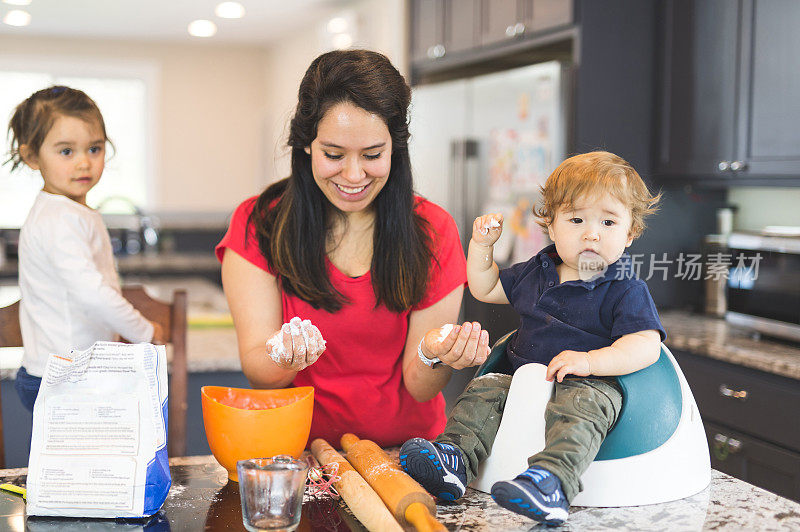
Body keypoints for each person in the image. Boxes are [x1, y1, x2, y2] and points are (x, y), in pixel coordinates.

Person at [216, 49, 490, 448]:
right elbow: (259, 370)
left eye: (373, 155)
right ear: (306, 143)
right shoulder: (260, 223)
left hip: (406, 458)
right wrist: (284, 355)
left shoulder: (433, 230)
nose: (354, 174)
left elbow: (420, 388)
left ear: (395, 148)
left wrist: (435, 354)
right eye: (334, 154)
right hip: (299, 456)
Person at [400, 151, 666, 526]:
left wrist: (590, 362)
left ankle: (552, 482)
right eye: (576, 219)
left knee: (578, 412)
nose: (592, 233)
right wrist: (481, 247)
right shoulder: (537, 272)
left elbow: (645, 345)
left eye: (608, 221)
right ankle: (454, 461)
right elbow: (485, 286)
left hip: (592, 383)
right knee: (482, 393)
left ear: (630, 233)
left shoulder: (625, 288)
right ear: (551, 226)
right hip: (519, 378)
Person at [6, 86, 164, 411]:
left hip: (74, 373)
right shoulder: (58, 219)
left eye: (94, 148)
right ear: (32, 157)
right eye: (66, 151)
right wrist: (145, 331)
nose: (84, 163)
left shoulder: (69, 211)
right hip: (63, 378)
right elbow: (92, 293)